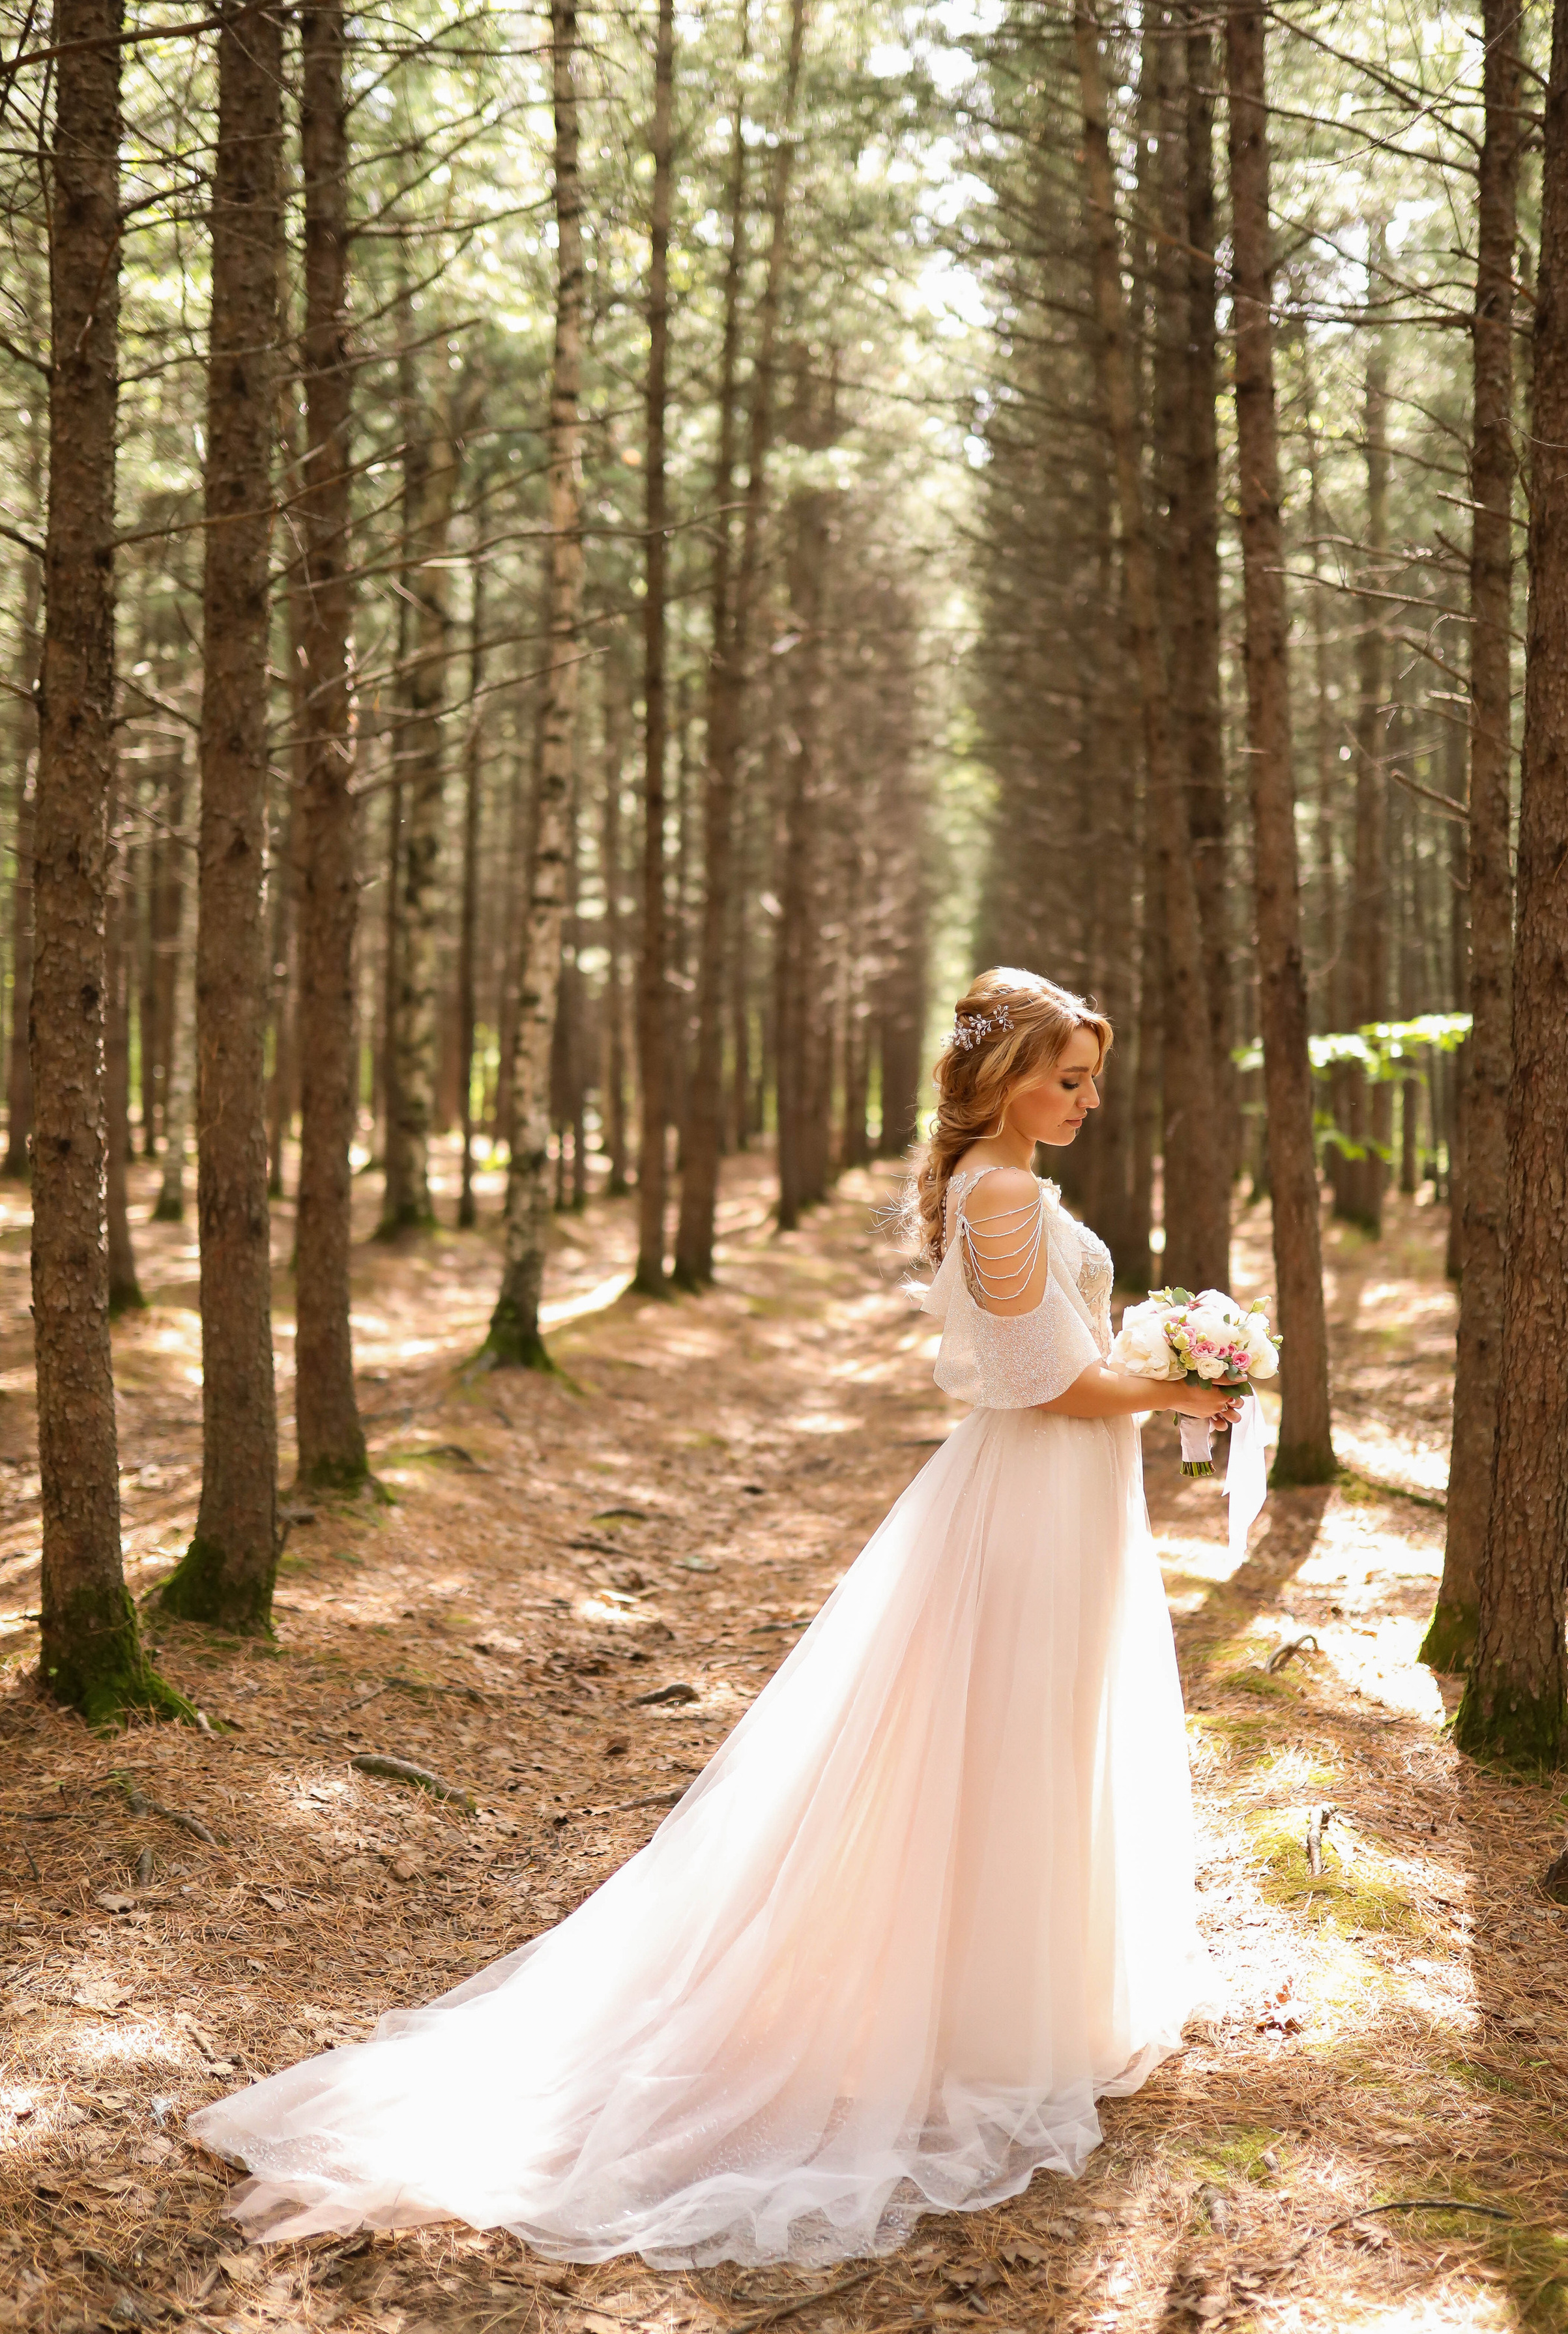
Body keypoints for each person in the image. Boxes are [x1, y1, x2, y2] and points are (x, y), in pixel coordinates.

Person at [192, 967, 1228, 2266]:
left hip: (1057, 1498)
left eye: (1090, 1081)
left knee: (1032, 1735)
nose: (1083, 1100)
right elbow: (1042, 1382)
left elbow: (1056, 1349)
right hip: (1028, 1497)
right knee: (1010, 1734)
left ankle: (1011, 2007)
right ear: (996, 1077)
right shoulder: (1004, 1189)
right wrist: (1176, 1392)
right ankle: (986, 2027)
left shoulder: (1004, 1184)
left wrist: (1157, 1360)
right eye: (1062, 1078)